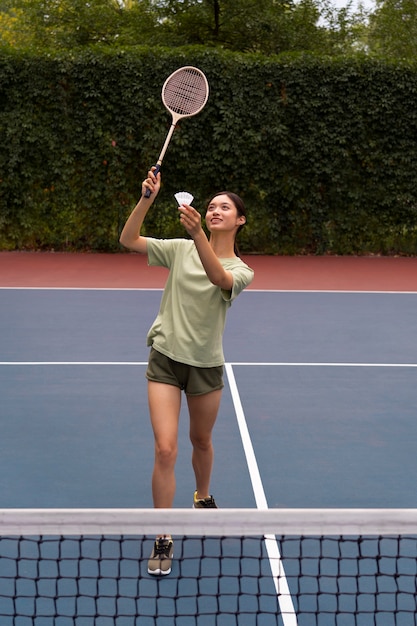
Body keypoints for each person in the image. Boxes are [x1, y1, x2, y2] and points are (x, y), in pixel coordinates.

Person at [119, 168, 254, 576]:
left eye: (224, 207)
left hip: (205, 366)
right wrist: (146, 199)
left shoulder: (242, 270)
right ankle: (163, 535)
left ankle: (203, 495)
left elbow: (218, 278)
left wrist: (198, 236)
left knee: (201, 440)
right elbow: (127, 240)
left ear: (239, 221)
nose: (215, 210)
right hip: (165, 358)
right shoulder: (179, 248)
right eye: (211, 206)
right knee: (165, 449)